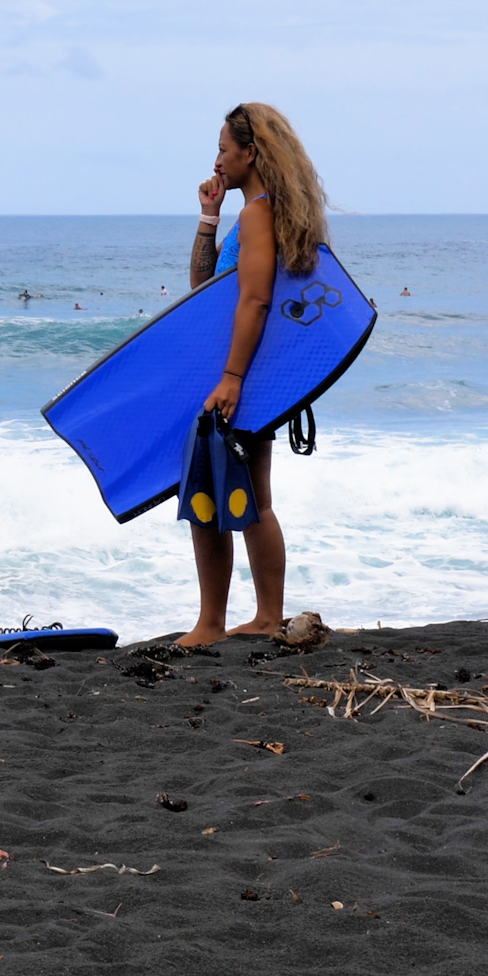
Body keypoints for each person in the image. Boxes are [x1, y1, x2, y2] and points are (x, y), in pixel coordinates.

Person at [176, 102, 328, 647]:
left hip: (242, 375)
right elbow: (205, 291)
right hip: (245, 372)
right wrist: (209, 216)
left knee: (211, 497)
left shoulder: (262, 215)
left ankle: (221, 622)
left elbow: (257, 299)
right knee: (244, 497)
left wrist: (234, 377)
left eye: (223, 148)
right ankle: (256, 618)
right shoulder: (256, 213)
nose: (217, 158)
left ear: (250, 152)